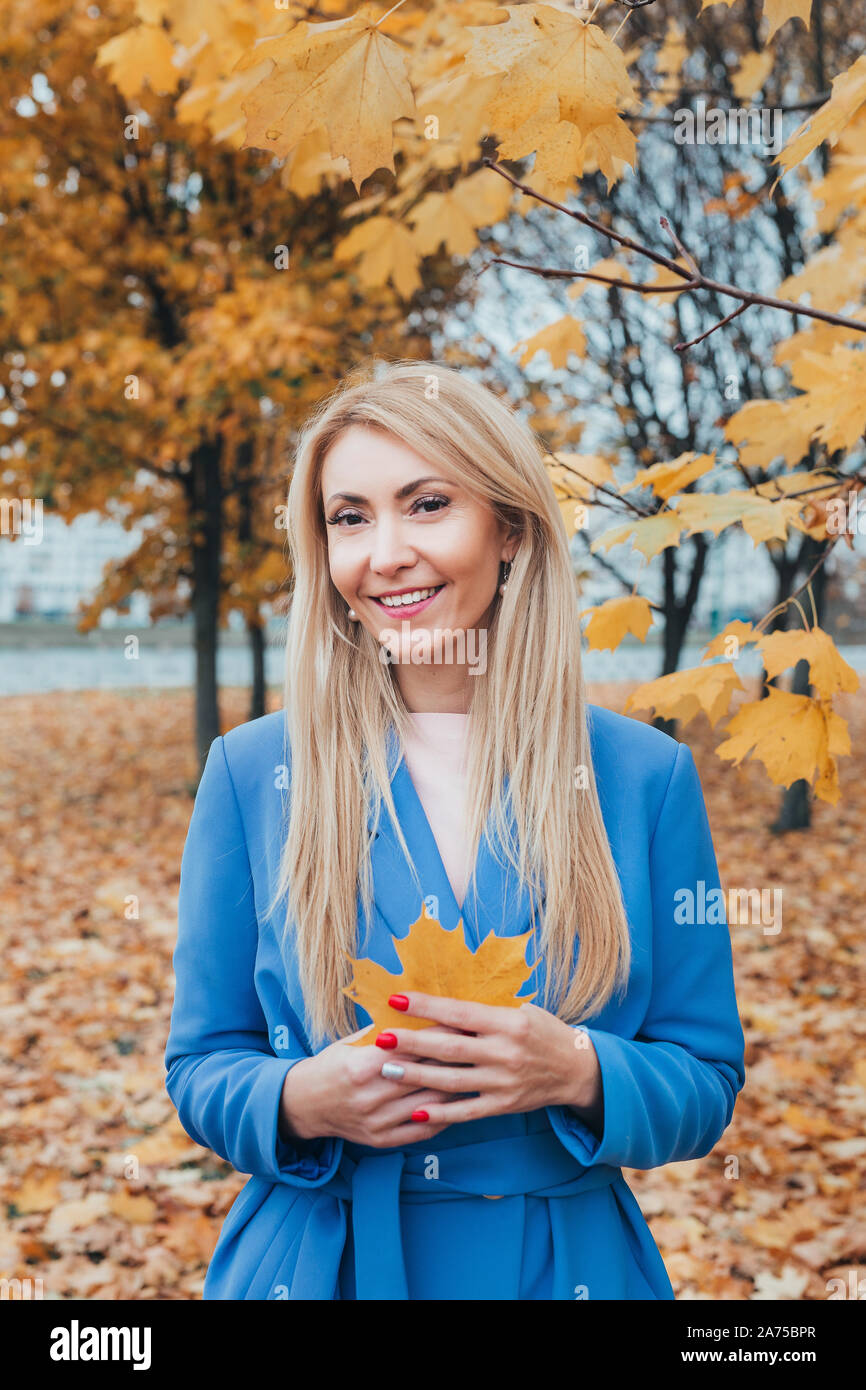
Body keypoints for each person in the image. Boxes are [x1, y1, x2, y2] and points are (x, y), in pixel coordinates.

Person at [165, 359, 746, 1300]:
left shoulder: (644, 777)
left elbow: (705, 1081)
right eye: (350, 517)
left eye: (427, 503)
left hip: (563, 1270)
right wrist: (294, 1099)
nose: (384, 552)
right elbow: (200, 1063)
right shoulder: (252, 773)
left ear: (510, 528)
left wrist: (579, 1069)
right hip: (325, 1264)